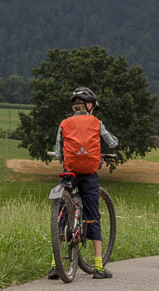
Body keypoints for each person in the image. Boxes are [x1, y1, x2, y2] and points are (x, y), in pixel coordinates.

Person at [48, 87, 119, 279]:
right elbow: (113, 142)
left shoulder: (64, 123)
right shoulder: (97, 122)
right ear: (89, 106)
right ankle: (98, 267)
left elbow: (59, 153)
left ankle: (55, 265)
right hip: (88, 174)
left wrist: (64, 157)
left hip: (69, 173)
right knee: (93, 216)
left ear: (74, 107)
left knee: (62, 216)